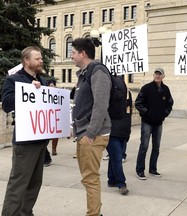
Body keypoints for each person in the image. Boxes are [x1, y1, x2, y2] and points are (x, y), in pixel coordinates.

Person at [1, 46, 50, 216]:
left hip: (41, 140)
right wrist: (29, 90)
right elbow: (7, 104)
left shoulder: (43, 80)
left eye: (41, 58)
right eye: (37, 58)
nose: (41, 61)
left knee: (35, 183)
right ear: (26, 61)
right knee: (19, 183)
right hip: (25, 142)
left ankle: (25, 212)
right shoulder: (14, 80)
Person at [71, 38, 111, 216]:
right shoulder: (85, 73)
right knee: (88, 178)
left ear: (83, 54)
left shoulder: (98, 71)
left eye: (73, 53)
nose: (71, 56)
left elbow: (101, 105)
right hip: (84, 132)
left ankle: (94, 214)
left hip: (92, 134)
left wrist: (91, 133)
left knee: (90, 178)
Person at [135, 67, 174, 180]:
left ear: (163, 76)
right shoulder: (146, 88)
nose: (157, 76)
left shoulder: (166, 89)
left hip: (159, 123)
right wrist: (147, 113)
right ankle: (140, 170)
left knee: (156, 147)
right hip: (147, 122)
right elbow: (138, 103)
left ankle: (153, 169)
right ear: (153, 75)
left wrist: (164, 114)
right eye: (156, 74)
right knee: (144, 146)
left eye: (160, 74)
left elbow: (170, 103)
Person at [107, 89, 132, 195]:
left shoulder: (127, 93)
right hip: (112, 131)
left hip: (123, 131)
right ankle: (121, 183)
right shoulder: (110, 94)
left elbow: (129, 113)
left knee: (114, 157)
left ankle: (111, 179)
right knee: (117, 158)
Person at [48, 79, 59, 156]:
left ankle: (53, 148)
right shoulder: (44, 93)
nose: (51, 86)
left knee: (55, 135)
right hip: (47, 116)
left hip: (55, 116)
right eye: (50, 85)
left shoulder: (58, 94)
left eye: (52, 85)